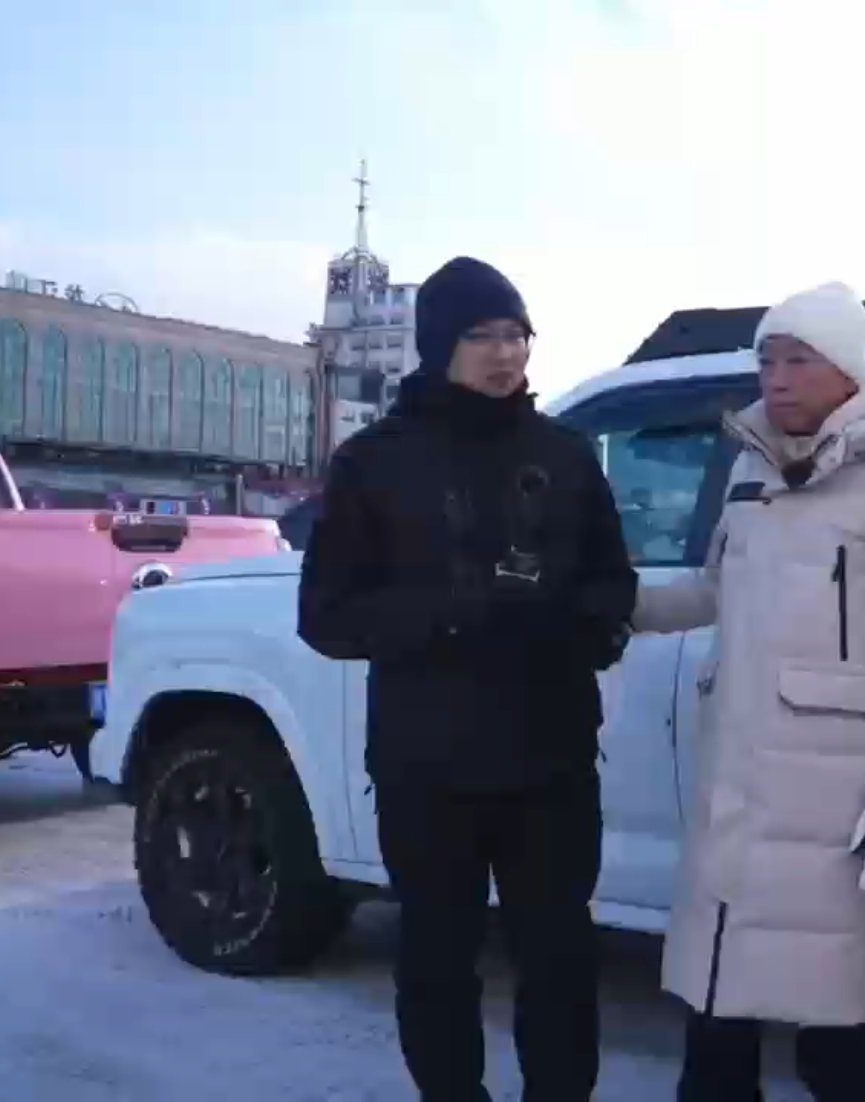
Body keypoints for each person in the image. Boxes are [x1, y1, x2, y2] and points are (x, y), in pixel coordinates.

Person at [298, 256, 636, 1102]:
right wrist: (449, 615)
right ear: (439, 344)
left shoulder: (564, 455)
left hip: (550, 764)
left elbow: (611, 578)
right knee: (436, 962)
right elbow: (326, 615)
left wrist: (586, 625)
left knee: (559, 960)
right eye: (482, 336)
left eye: (516, 334)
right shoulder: (375, 462)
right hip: (428, 769)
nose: (504, 353)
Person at [628, 281, 865, 1101]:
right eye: (767, 361)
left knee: (838, 1033)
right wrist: (619, 605)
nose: (776, 379)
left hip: (837, 801)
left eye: (798, 361)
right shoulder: (751, 469)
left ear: (847, 370)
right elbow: (716, 589)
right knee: (717, 1024)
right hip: (738, 789)